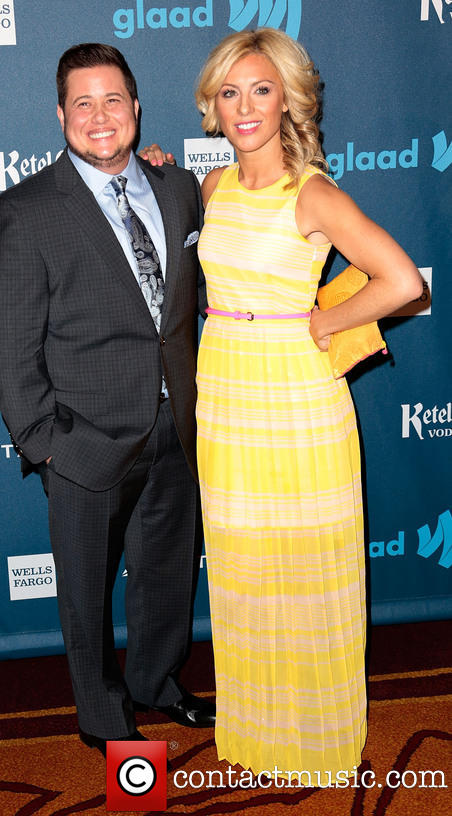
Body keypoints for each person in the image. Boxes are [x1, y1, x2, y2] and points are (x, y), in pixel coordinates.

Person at [191, 28, 422, 782]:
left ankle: (316, 736)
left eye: (260, 89)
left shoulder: (313, 192)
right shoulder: (213, 188)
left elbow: (402, 282)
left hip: (295, 396)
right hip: (224, 392)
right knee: (243, 566)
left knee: (306, 569)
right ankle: (257, 730)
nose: (246, 106)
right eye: (230, 93)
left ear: (287, 97)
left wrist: (327, 320)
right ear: (213, 108)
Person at [0, 42, 215, 758]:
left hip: (177, 423)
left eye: (112, 99)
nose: (99, 116)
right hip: (83, 439)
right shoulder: (25, 211)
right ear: (60, 115)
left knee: (168, 571)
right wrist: (45, 440)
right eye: (82, 103)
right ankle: (102, 708)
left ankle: (156, 680)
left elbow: (190, 303)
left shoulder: (177, 190)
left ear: (136, 108)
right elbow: (11, 343)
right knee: (85, 592)